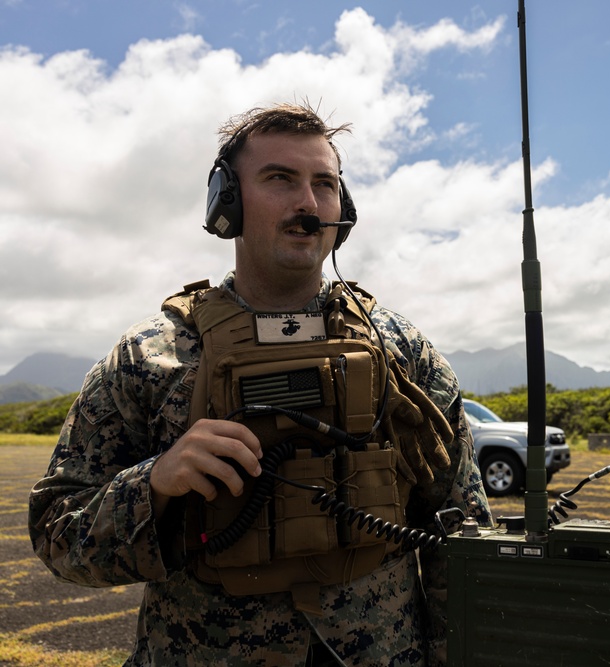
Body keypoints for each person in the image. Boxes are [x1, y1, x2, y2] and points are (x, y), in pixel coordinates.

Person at [28, 102, 493, 666]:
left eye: (324, 184)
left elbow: (463, 534)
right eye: (280, 179)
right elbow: (57, 534)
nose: (307, 203)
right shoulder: (148, 357)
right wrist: (155, 483)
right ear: (227, 201)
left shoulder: (402, 351)